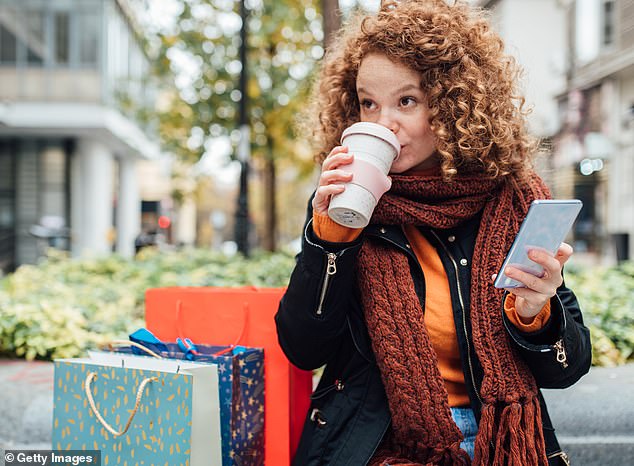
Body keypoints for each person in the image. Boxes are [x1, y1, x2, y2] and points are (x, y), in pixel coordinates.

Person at [275, 1, 591, 465]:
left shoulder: (514, 202)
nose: (383, 122)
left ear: (451, 105)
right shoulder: (340, 202)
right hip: (377, 448)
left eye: (407, 101)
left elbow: (569, 367)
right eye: (368, 103)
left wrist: (535, 312)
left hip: (501, 443)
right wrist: (331, 238)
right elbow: (303, 348)